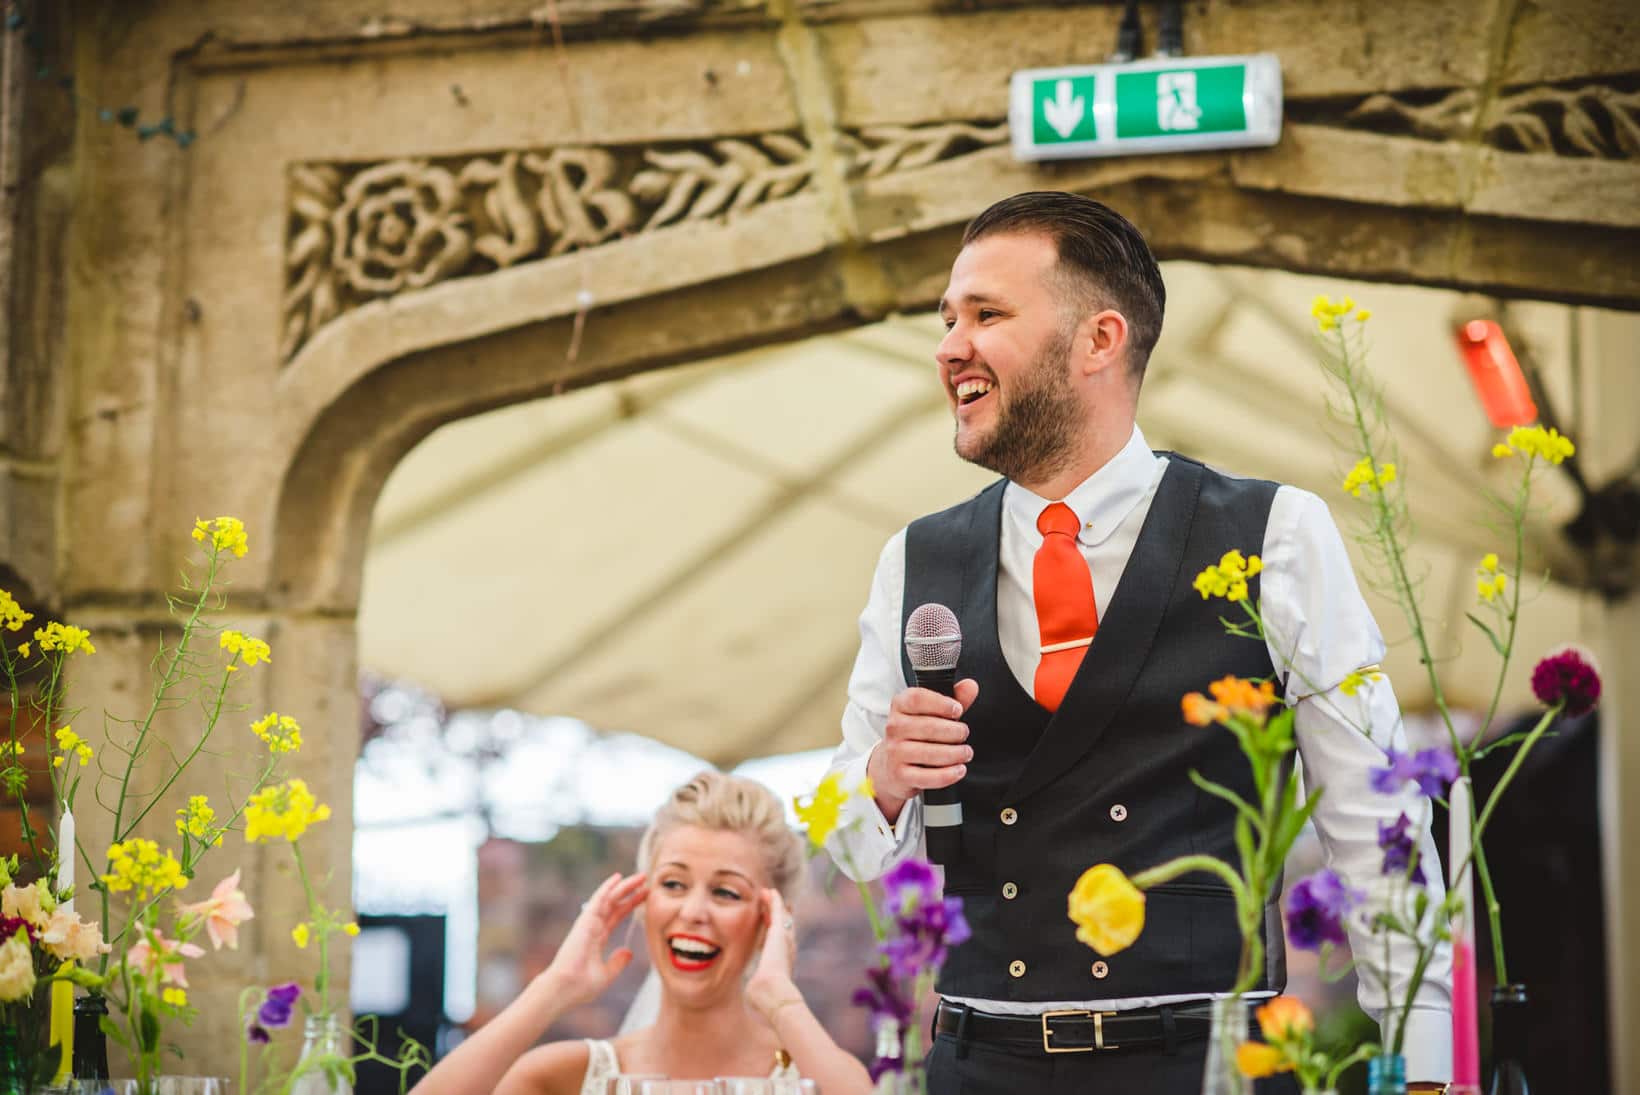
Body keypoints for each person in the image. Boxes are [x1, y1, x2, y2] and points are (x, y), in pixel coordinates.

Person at [825, 191, 1453, 1092]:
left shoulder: (1276, 533)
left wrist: (1424, 1065)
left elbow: (1374, 821)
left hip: (1205, 1066)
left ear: (1100, 339)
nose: (949, 345)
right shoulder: (914, 560)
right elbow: (859, 851)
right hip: (975, 1066)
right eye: (947, 318)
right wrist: (883, 784)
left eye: (987, 314)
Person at [412, 771, 872, 1095]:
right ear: (643, 901)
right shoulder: (566, 1076)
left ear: (772, 921)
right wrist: (552, 989)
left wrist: (781, 1000)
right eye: (673, 884)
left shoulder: (813, 1079)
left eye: (726, 893)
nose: (693, 911)